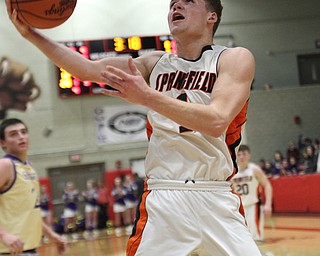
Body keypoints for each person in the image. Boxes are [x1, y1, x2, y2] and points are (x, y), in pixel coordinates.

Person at [5, 0, 259, 254]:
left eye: (188, 1)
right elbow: (87, 69)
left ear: (211, 17)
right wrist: (31, 34)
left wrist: (146, 96)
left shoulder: (233, 58)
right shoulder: (154, 64)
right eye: (172, 4)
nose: (176, 6)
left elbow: (216, 121)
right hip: (164, 197)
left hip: (215, 194)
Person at [0, 118, 66, 255]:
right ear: (2, 143)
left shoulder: (28, 167)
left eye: (23, 132)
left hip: (29, 249)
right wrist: (4, 235)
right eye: (13, 134)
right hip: (8, 250)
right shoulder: (5, 165)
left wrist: (51, 235)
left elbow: (29, 211)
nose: (21, 137)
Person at [231, 145, 273, 241]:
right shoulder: (232, 171)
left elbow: (267, 185)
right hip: (237, 209)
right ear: (236, 156)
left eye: (244, 154)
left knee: (255, 238)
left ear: (249, 155)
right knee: (240, 238)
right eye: (239, 154)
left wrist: (268, 204)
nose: (241, 157)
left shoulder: (254, 170)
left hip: (253, 207)